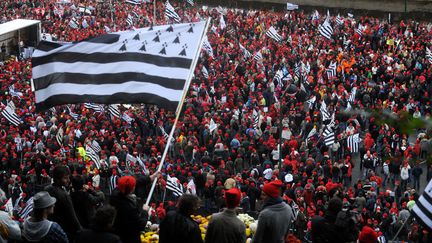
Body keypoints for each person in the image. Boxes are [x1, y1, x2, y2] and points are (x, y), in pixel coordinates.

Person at [45, 165, 82, 241]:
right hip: (63, 229)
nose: (68, 180)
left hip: (48, 227)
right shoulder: (64, 195)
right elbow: (72, 216)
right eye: (65, 178)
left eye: (68, 177)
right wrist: (81, 231)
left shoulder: (47, 189)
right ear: (57, 179)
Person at [109, 175, 148, 243]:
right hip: (128, 237)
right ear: (132, 189)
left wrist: (150, 178)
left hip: (116, 233)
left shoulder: (114, 194)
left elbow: (133, 183)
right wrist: (145, 212)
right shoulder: (129, 208)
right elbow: (140, 225)